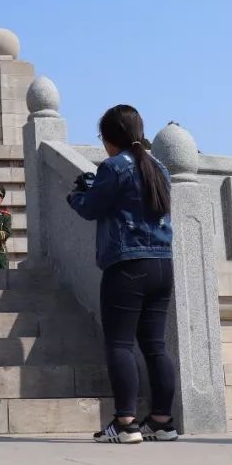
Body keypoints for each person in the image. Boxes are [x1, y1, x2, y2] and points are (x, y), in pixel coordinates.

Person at [67, 105, 178, 444]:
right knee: (155, 346)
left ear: (111, 138)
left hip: (127, 264)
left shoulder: (114, 167)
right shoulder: (159, 167)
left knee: (119, 343)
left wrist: (77, 194)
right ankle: (161, 421)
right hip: (162, 263)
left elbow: (90, 208)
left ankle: (126, 422)